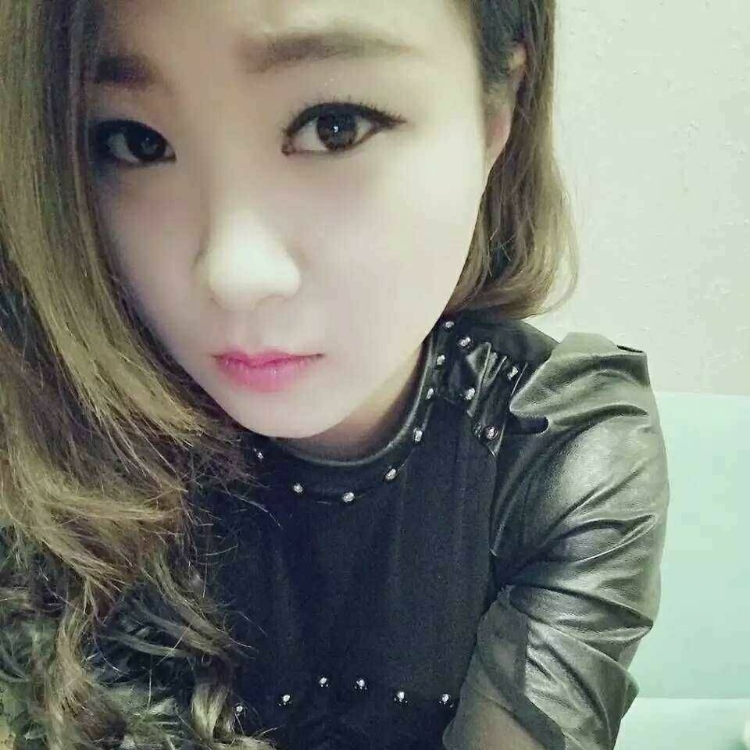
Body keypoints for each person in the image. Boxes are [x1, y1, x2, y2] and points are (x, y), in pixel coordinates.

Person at [0, 0, 670, 748]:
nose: (235, 272)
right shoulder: (42, 429)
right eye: (136, 142)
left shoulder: (551, 441)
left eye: (335, 126)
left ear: (495, 113)